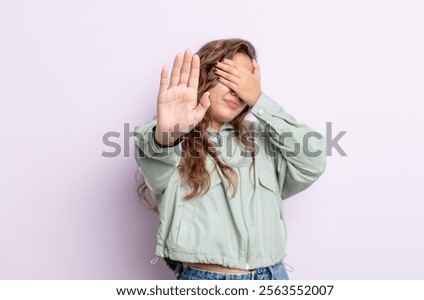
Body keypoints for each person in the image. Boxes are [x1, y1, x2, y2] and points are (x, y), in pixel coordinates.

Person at [134, 38, 327, 280]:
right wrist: (169, 133)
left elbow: (313, 159)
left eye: (246, 81)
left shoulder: (263, 137)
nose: (238, 90)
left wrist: (260, 101)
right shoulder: (169, 137)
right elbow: (155, 151)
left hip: (273, 276)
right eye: (229, 76)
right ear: (205, 76)